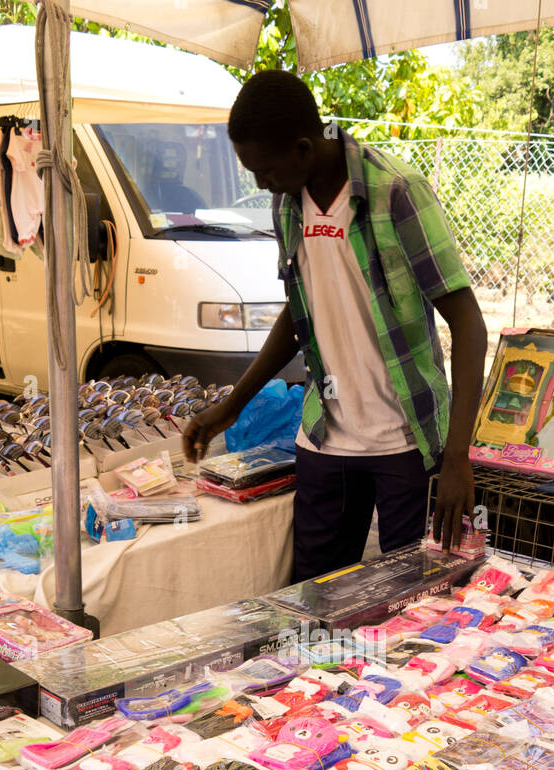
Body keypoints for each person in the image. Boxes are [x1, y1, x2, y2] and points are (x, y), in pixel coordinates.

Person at [183, 71, 487, 576]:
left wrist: (458, 456)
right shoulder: (288, 201)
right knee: (315, 597)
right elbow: (300, 310)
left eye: (264, 171)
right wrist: (231, 407)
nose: (261, 185)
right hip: (325, 439)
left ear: (304, 147)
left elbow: (469, 324)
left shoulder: (395, 191)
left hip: (405, 444)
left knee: (411, 600)